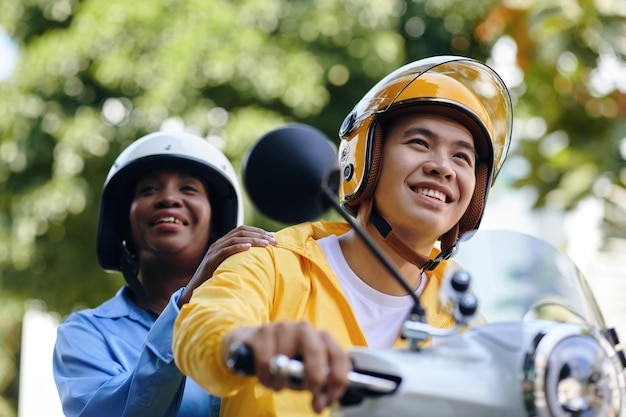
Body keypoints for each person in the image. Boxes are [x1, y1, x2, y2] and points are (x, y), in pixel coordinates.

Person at [172, 55, 513, 416]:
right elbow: (202, 327)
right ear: (366, 159)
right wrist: (246, 341)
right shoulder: (270, 262)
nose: (442, 167)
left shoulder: (464, 323)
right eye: (419, 143)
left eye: (462, 157)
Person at [52, 130, 277, 417]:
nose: (168, 198)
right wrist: (185, 303)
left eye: (188, 189)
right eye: (148, 190)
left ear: (216, 225)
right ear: (124, 225)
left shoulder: (260, 318)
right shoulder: (85, 333)